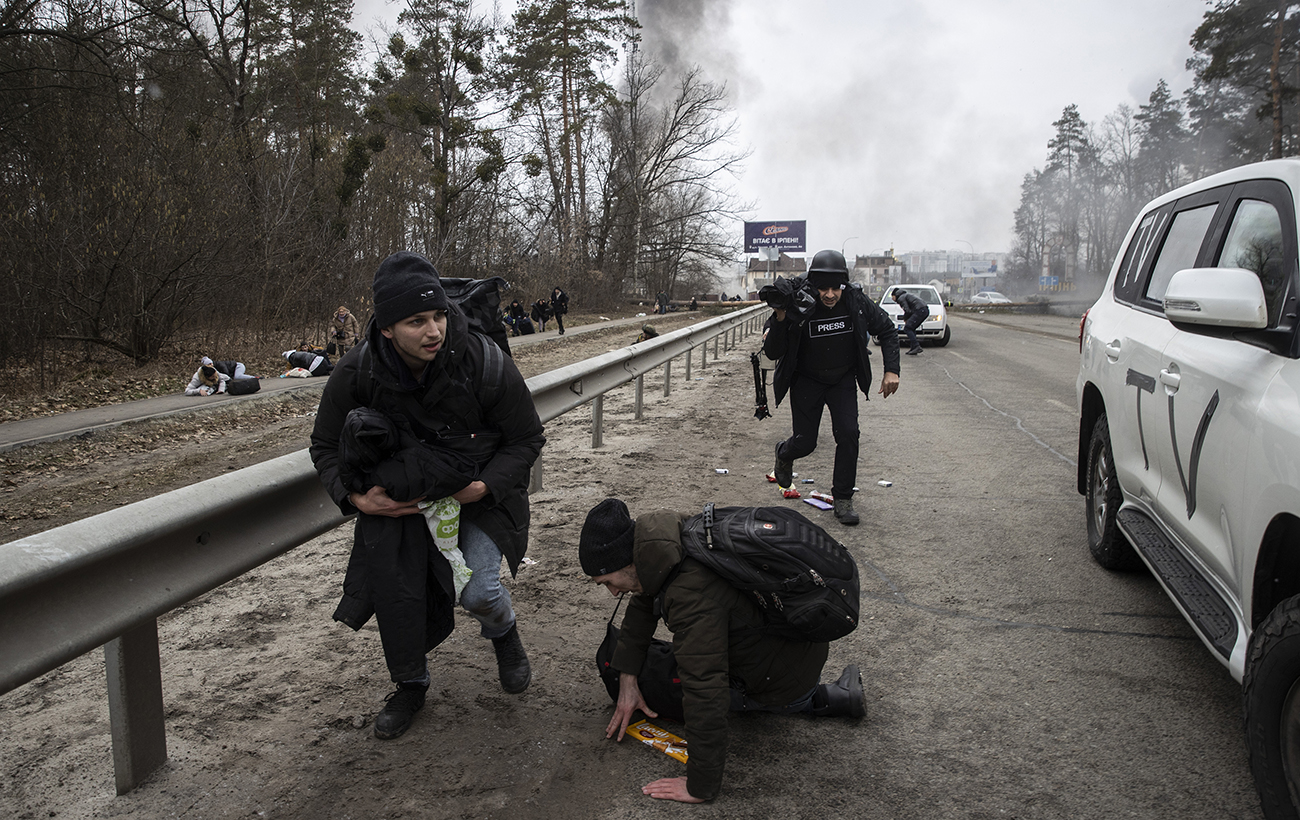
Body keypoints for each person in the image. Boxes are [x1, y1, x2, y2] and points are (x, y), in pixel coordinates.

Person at [310, 251, 546, 741]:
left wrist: (481, 487)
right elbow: (325, 446)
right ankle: (410, 686)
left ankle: (503, 632)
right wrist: (355, 500)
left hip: (476, 493)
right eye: (416, 321)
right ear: (388, 328)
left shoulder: (484, 360)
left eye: (438, 315)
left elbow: (526, 439)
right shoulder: (357, 373)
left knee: (479, 591)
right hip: (398, 500)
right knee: (399, 598)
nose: (434, 330)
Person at [580, 498, 865, 804]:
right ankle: (823, 696)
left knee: (661, 679)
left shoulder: (691, 595)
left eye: (608, 581)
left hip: (776, 678)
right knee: (645, 662)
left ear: (626, 560)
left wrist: (699, 785)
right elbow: (644, 598)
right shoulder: (670, 538)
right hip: (794, 653)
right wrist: (626, 678)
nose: (612, 593)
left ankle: (799, 700)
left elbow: (704, 689)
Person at [762, 249, 901, 526]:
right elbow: (774, 350)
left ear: (843, 285)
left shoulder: (855, 300)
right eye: (822, 288)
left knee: (849, 434)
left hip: (842, 379)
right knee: (805, 442)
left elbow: (886, 329)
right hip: (806, 380)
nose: (829, 294)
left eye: (835, 288)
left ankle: (843, 499)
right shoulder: (797, 302)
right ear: (814, 285)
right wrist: (779, 317)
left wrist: (891, 370)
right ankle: (784, 453)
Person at [892, 288, 930, 355]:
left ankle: (916, 346)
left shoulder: (901, 298)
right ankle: (913, 348)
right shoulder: (905, 295)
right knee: (911, 328)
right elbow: (910, 310)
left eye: (892, 297)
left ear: (895, 295)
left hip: (920, 310)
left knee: (907, 328)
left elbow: (907, 310)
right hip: (924, 310)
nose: (892, 299)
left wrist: (905, 319)